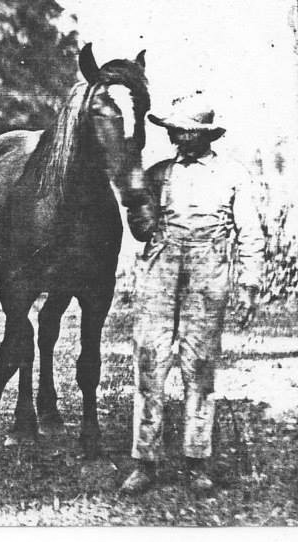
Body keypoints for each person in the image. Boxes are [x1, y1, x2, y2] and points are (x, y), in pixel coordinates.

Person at [121, 92, 264, 494]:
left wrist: (249, 284)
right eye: (174, 130)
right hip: (161, 266)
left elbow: (250, 233)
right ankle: (145, 462)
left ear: (205, 135)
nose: (179, 138)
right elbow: (141, 231)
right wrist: (135, 201)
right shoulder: (158, 174)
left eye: (187, 131)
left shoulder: (232, 175)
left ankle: (197, 462)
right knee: (149, 360)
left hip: (208, 268)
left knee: (199, 366)